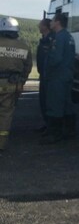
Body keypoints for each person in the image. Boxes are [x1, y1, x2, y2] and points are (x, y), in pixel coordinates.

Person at [40, 13, 76, 144]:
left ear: (58, 22)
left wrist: (47, 71)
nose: (50, 23)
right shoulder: (68, 36)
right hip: (66, 74)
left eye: (53, 21)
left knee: (54, 104)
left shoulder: (59, 38)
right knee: (66, 104)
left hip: (57, 76)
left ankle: (55, 133)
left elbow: (55, 58)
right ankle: (69, 131)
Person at [0, 16, 33, 152]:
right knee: (6, 115)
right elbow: (27, 67)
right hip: (11, 85)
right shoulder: (24, 47)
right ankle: (1, 144)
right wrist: (21, 82)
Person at [36, 18, 53, 131]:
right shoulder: (44, 40)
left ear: (45, 27)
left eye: (40, 25)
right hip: (43, 74)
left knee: (48, 101)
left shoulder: (50, 41)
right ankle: (47, 124)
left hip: (48, 76)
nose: (38, 26)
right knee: (43, 100)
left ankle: (51, 126)